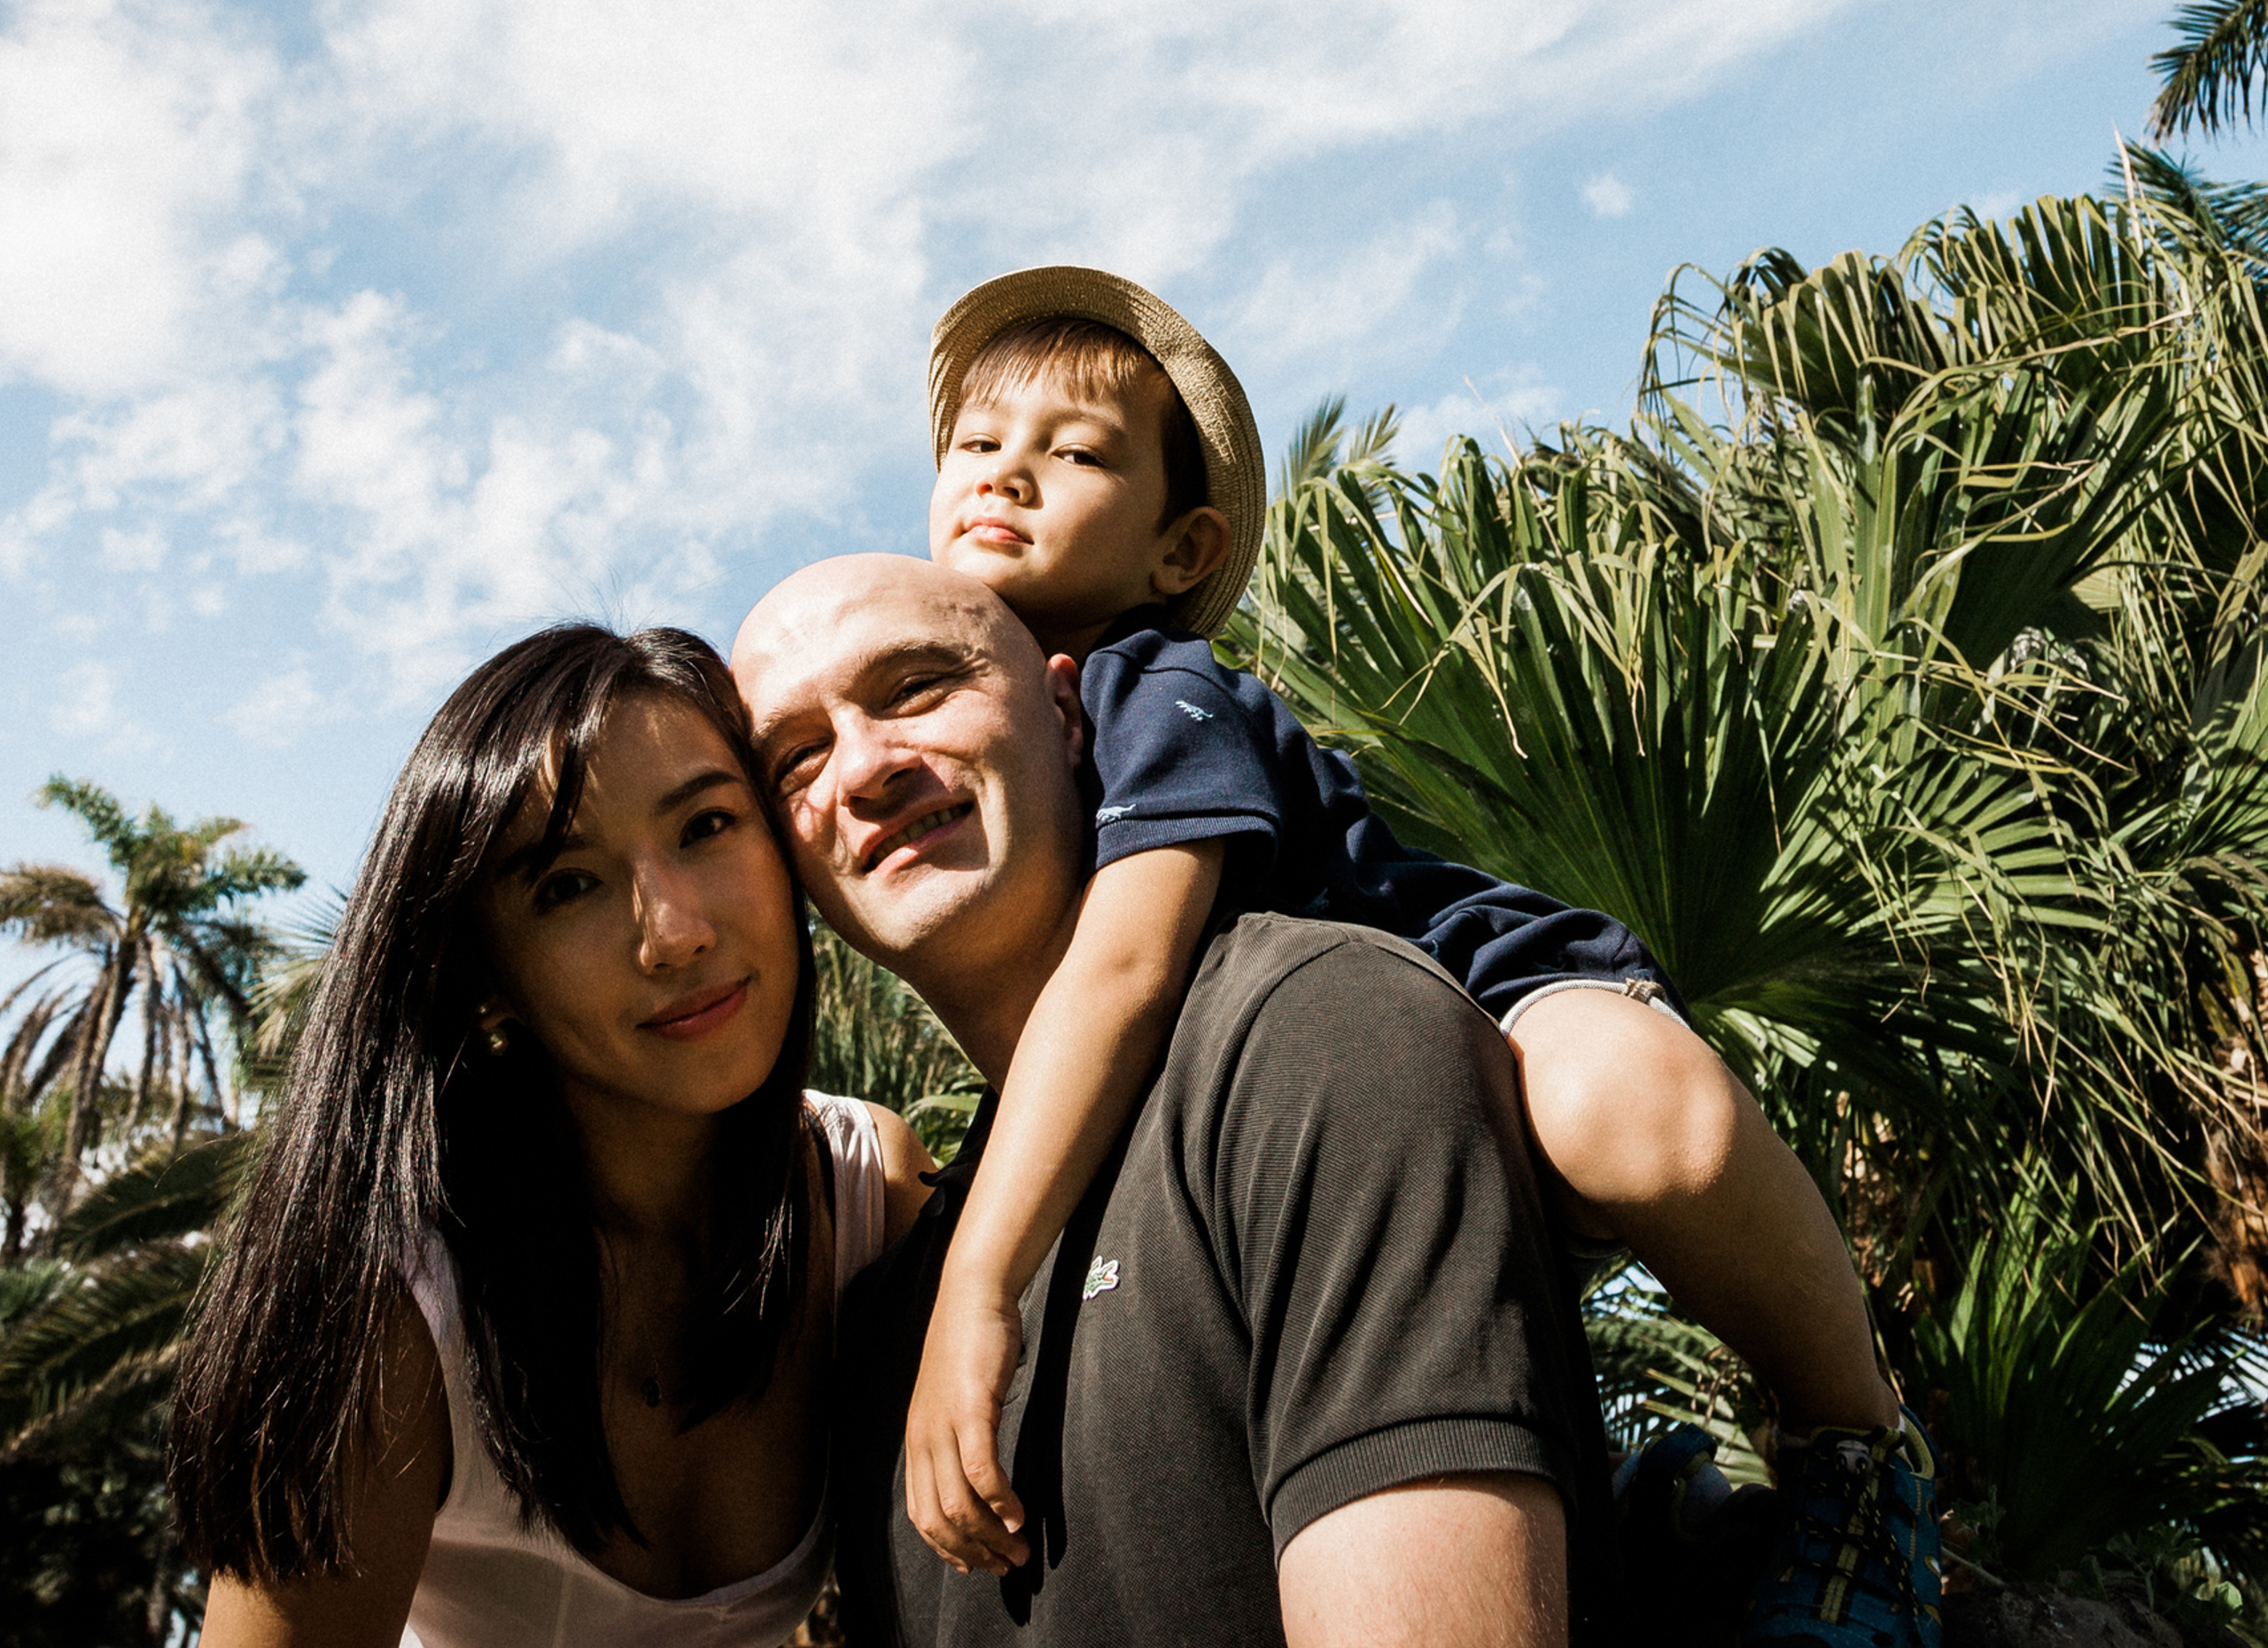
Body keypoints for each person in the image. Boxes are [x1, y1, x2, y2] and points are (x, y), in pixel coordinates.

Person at [892, 264, 1940, 1645]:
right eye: (978, 444)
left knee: (1637, 1118)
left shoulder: (1156, 686)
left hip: (1473, 1000)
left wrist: (974, 1284)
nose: (1007, 476)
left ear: (1183, 551)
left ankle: (1860, 1451)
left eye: (1073, 454)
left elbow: (1129, 967)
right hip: (1320, 1154)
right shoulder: (996, 728)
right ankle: (1629, 1505)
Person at [734, 553, 1607, 1648]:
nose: (861, 769)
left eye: (915, 688)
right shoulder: (882, 1320)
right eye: (794, 759)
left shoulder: (1314, 1031)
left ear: (1067, 709)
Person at [167, 623, 932, 1648]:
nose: (676, 931)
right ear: (488, 981)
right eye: (568, 884)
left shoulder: (865, 1188)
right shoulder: (397, 1302)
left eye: (706, 825)